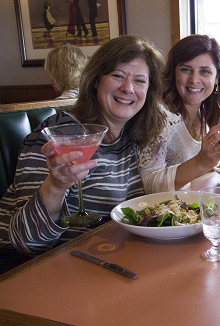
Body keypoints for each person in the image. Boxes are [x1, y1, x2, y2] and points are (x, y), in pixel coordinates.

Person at [0, 35, 166, 273]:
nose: (128, 88)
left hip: (104, 259)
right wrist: (55, 186)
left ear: (149, 91)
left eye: (139, 81)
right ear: (96, 80)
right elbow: (27, 241)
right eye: (117, 75)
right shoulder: (58, 135)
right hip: (32, 269)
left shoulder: (132, 136)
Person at [137, 34, 220, 193]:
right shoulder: (160, 116)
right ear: (173, 73)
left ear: (217, 78)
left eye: (204, 71)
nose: (194, 79)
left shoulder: (206, 114)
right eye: (186, 69)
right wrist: (201, 162)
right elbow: (149, 185)